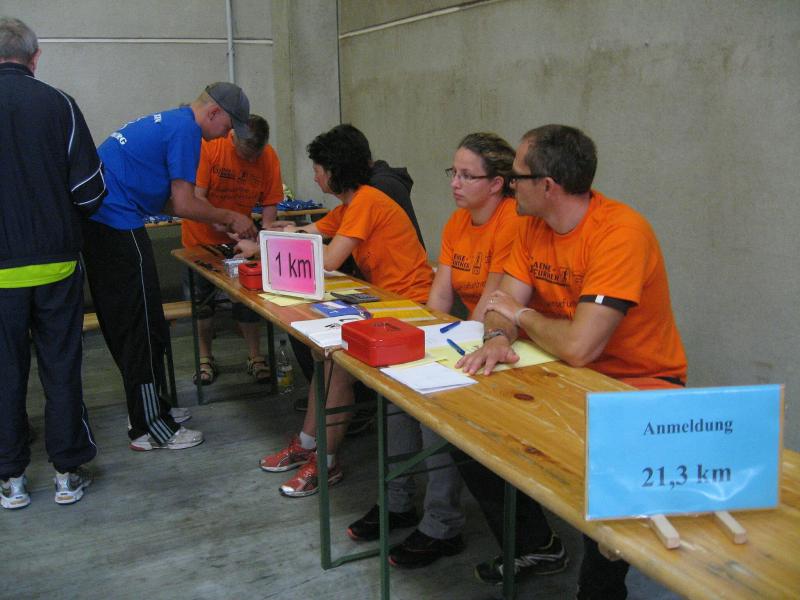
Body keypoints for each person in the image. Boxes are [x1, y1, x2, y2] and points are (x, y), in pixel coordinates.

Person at [456, 125, 687, 598]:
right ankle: (536, 545)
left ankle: (599, 588)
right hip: (561, 372)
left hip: (639, 383)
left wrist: (522, 316)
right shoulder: (529, 225)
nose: (509, 184)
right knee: (467, 434)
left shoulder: (620, 232)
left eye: (516, 176)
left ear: (548, 186)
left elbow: (581, 345)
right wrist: (497, 336)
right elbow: (500, 307)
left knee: (602, 498)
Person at [346, 132, 528, 568]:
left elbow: (490, 304)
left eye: (467, 175)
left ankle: (443, 525)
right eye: (454, 172)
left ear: (497, 183)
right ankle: (397, 502)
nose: (455, 183)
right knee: (395, 394)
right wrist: (425, 341)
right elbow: (439, 297)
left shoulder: (511, 222)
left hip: (501, 341)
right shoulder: (457, 223)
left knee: (435, 410)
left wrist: (442, 350)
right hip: (459, 333)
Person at [256, 124, 433, 497]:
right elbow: (312, 233)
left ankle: (326, 461)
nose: (315, 176)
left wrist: (280, 244)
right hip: (386, 302)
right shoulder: (352, 206)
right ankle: (308, 443)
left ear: (334, 170)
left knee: (336, 364)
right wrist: (266, 239)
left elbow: (331, 258)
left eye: (318, 168)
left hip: (411, 307)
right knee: (324, 357)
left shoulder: (367, 201)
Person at [81, 82, 258, 453]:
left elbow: (170, 203)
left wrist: (219, 218)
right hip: (114, 224)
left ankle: (152, 409)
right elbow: (184, 202)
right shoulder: (186, 131)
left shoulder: (172, 122)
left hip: (109, 223)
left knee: (149, 324)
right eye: (228, 127)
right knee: (140, 327)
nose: (225, 136)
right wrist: (230, 216)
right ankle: (148, 427)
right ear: (214, 112)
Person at [0, 17, 106, 508]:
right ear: (35, 57)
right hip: (56, 265)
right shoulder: (59, 104)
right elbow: (90, 191)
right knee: (61, 366)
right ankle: (67, 473)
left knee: (4, 373)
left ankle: (11, 480)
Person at [181, 114, 284, 385]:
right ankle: (205, 358)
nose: (251, 160)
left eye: (256, 155)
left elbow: (270, 205)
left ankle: (255, 356)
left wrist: (264, 238)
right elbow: (197, 198)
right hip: (200, 239)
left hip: (242, 240)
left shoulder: (268, 157)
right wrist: (228, 225)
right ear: (233, 137)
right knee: (202, 305)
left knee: (247, 299)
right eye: (246, 154)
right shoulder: (211, 148)